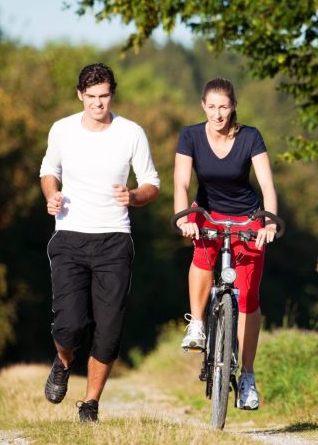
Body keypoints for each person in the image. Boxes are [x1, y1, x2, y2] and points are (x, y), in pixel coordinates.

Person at [40, 62, 160, 422]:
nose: (97, 103)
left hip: (114, 239)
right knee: (70, 326)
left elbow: (152, 183)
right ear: (80, 95)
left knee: (108, 334)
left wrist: (134, 196)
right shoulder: (62, 130)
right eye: (91, 97)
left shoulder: (131, 133)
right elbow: (49, 170)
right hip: (70, 236)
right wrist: (52, 194)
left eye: (104, 96)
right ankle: (63, 362)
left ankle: (90, 404)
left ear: (112, 94)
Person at [173, 77, 278, 411]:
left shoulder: (250, 137)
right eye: (212, 107)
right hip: (207, 214)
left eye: (224, 106)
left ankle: (247, 376)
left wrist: (270, 219)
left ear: (234, 107)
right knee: (202, 260)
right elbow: (181, 181)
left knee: (248, 296)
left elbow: (266, 183)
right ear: (203, 105)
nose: (218, 114)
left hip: (247, 217)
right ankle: (198, 324)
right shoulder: (190, 135)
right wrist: (184, 216)